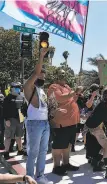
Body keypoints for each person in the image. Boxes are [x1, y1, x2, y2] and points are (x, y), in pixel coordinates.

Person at [23, 48, 53, 184]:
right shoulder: (28, 87)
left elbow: (46, 108)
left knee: (43, 151)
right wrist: (41, 56)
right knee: (33, 153)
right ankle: (29, 178)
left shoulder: (42, 91)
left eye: (44, 76)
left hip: (45, 124)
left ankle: (40, 176)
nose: (43, 77)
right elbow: (36, 72)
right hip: (34, 124)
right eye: (41, 75)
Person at [47, 69, 81, 176]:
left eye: (64, 74)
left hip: (71, 122)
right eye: (61, 74)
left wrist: (77, 94)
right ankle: (56, 167)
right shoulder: (53, 87)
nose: (63, 75)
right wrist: (73, 92)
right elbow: (59, 99)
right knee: (58, 146)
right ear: (56, 76)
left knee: (67, 145)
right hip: (60, 122)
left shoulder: (67, 87)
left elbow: (71, 99)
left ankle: (66, 164)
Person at [85, 87, 107, 179]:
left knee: (105, 145)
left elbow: (106, 118)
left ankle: (96, 163)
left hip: (99, 126)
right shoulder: (103, 105)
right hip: (95, 127)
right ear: (106, 95)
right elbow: (106, 117)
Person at [3, 82, 27, 159]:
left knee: (19, 136)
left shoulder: (21, 97)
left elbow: (24, 107)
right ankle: (6, 152)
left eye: (19, 87)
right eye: (16, 87)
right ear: (12, 88)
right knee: (8, 136)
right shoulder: (7, 98)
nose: (18, 89)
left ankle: (20, 150)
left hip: (20, 119)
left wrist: (25, 116)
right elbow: (4, 110)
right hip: (10, 119)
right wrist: (6, 119)